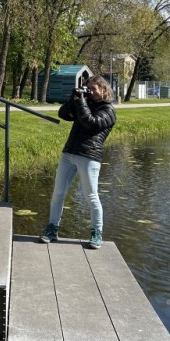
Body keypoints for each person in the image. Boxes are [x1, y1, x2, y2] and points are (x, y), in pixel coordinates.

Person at [40, 75, 116, 250]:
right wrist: (72, 98)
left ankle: (97, 232)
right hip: (69, 154)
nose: (89, 91)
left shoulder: (108, 110)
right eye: (87, 88)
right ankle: (52, 228)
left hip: (89, 157)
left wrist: (81, 101)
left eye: (93, 88)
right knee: (58, 193)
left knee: (91, 196)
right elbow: (63, 114)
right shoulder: (85, 102)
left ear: (103, 89)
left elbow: (91, 123)